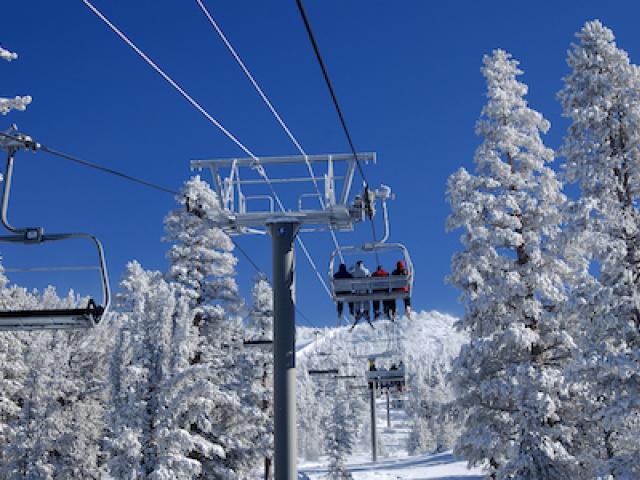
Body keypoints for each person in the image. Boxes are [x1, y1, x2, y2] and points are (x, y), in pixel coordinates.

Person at [351, 260, 372, 327]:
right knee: (366, 299)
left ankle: (357, 312)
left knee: (357, 300)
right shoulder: (365, 270)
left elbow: (351, 276)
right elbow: (370, 276)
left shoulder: (354, 271)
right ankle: (366, 311)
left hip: (357, 291)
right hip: (364, 290)